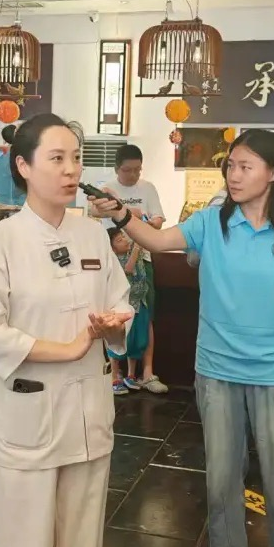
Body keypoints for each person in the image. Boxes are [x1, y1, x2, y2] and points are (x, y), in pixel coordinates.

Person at [88, 129, 274, 547]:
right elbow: (157, 241)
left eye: (245, 166)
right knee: (221, 474)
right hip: (217, 369)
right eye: (230, 166)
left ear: (273, 173)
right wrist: (120, 212)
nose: (234, 175)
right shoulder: (210, 222)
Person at [0, 113, 133, 547]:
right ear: (23, 166)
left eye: (75, 158)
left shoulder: (92, 233)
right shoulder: (0, 242)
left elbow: (120, 300)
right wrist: (70, 347)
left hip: (88, 419)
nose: (71, 170)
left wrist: (114, 323)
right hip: (27, 422)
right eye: (56, 159)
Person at [98, 144, 169, 394]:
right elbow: (94, 216)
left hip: (142, 258)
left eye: (138, 170)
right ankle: (114, 373)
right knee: (113, 312)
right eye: (128, 170)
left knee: (145, 314)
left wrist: (145, 220)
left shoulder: (147, 188)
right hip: (112, 260)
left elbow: (158, 221)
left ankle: (146, 373)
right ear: (116, 168)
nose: (134, 175)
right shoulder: (106, 190)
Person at [106, 228, 151, 394]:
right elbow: (128, 269)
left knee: (138, 341)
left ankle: (131, 375)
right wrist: (137, 247)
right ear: (112, 248)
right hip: (123, 306)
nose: (125, 241)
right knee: (118, 340)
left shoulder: (135, 250)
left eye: (123, 237)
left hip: (140, 302)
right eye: (119, 240)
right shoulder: (113, 260)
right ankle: (114, 377)